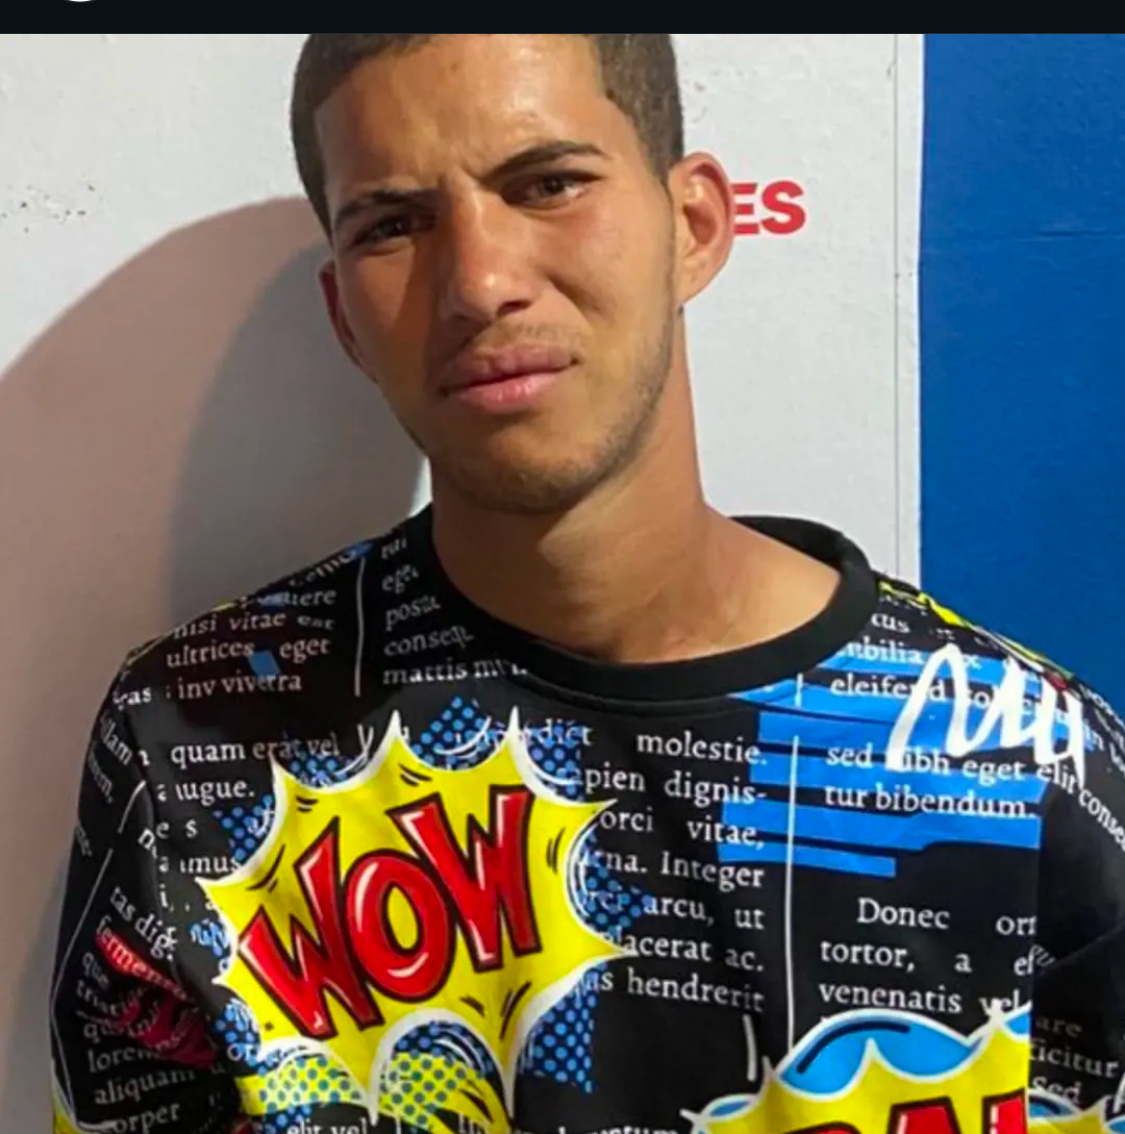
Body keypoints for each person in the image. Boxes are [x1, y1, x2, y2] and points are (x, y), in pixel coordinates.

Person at [49, 33, 1125, 1134]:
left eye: (547, 184)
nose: (480, 283)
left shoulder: (1022, 760)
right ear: (345, 320)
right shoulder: (192, 738)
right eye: (393, 225)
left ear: (694, 226)